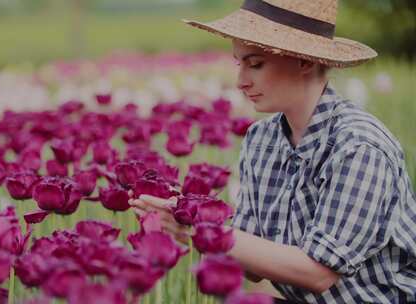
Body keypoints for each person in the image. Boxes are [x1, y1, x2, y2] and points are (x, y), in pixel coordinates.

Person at [130, 0, 416, 303]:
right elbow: (253, 270)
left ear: (304, 61)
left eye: (255, 64)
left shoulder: (358, 146)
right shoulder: (261, 140)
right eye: (239, 64)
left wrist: (199, 229)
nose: (240, 81)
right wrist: (182, 210)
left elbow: (318, 273)